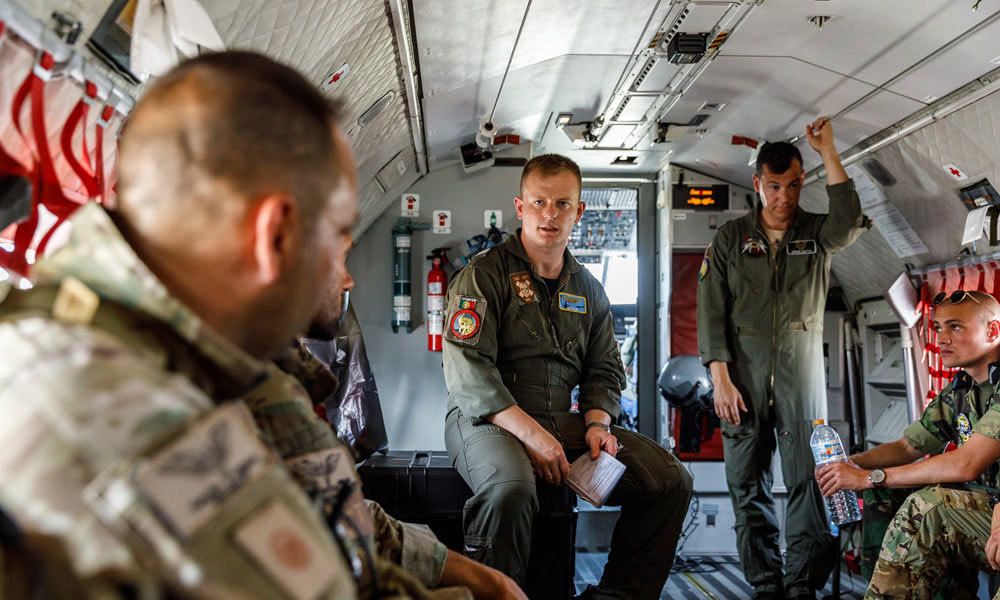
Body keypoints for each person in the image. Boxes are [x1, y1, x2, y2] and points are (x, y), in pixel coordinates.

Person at [0, 51, 517, 600]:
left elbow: (333, 536)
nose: (345, 276)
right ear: (276, 236)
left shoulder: (202, 361)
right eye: (337, 237)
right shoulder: (115, 415)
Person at [442, 153, 694, 600]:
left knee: (669, 479)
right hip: (484, 419)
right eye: (539, 202)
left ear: (579, 211)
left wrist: (597, 424)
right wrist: (533, 436)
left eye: (562, 204)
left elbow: (604, 369)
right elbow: (468, 370)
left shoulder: (588, 289)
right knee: (510, 489)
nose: (550, 215)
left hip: (562, 419)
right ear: (520, 207)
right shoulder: (482, 276)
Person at [697, 119, 868, 599]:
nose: (783, 197)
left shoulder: (816, 234)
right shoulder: (730, 240)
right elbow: (710, 314)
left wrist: (828, 150)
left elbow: (849, 221)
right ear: (757, 184)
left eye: (792, 185)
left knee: (810, 484)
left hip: (801, 382)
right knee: (746, 487)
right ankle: (766, 583)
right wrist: (720, 380)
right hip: (741, 382)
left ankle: (800, 585)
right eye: (774, 187)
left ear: (802, 181)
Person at [816, 289, 1000, 600]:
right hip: (988, 506)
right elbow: (907, 447)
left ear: (993, 331)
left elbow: (966, 463)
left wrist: (870, 476)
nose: (942, 338)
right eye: (938, 328)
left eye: (955, 327)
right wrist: (849, 465)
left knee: (927, 507)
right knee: (885, 491)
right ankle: (886, 585)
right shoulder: (961, 390)